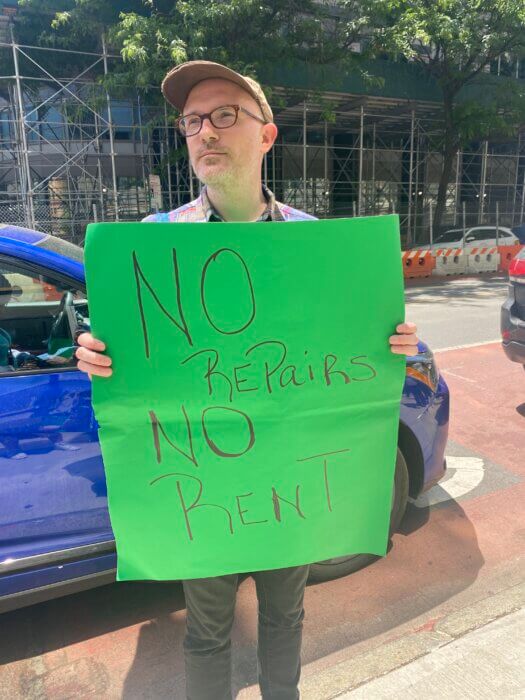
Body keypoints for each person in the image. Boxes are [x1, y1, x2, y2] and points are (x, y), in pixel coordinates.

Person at [76, 60, 419, 700]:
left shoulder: (318, 245)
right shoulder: (154, 244)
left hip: (288, 486)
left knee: (286, 617)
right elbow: (123, 355)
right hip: (203, 492)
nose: (205, 131)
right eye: (192, 121)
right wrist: (97, 353)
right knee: (206, 633)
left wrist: (392, 343)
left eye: (225, 115)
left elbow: (354, 356)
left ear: (266, 135)